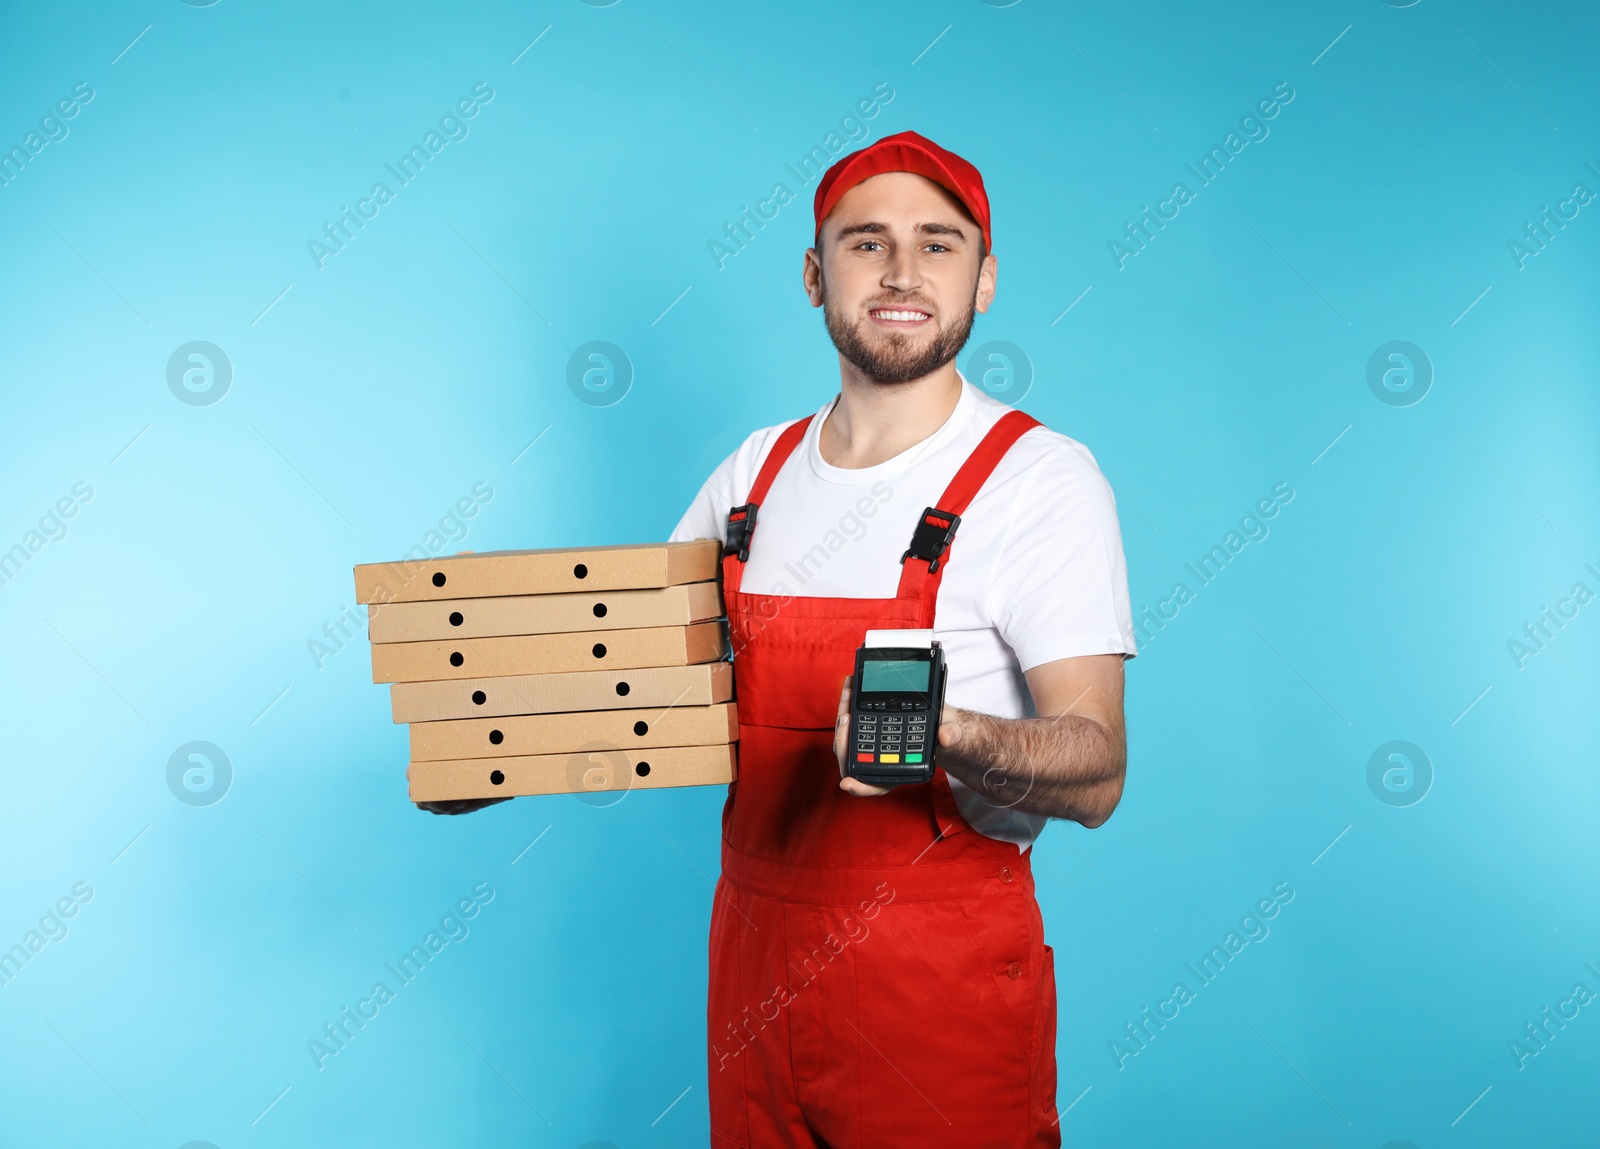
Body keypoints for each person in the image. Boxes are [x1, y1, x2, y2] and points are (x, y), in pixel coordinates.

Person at [667, 131, 1137, 1148]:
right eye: (865, 242)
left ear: (985, 278)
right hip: (752, 962)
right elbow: (641, 680)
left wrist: (948, 732)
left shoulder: (1037, 480)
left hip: (935, 981)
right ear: (812, 274)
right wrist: (487, 750)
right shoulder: (753, 472)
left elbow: (1097, 772)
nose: (901, 274)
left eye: (938, 244)